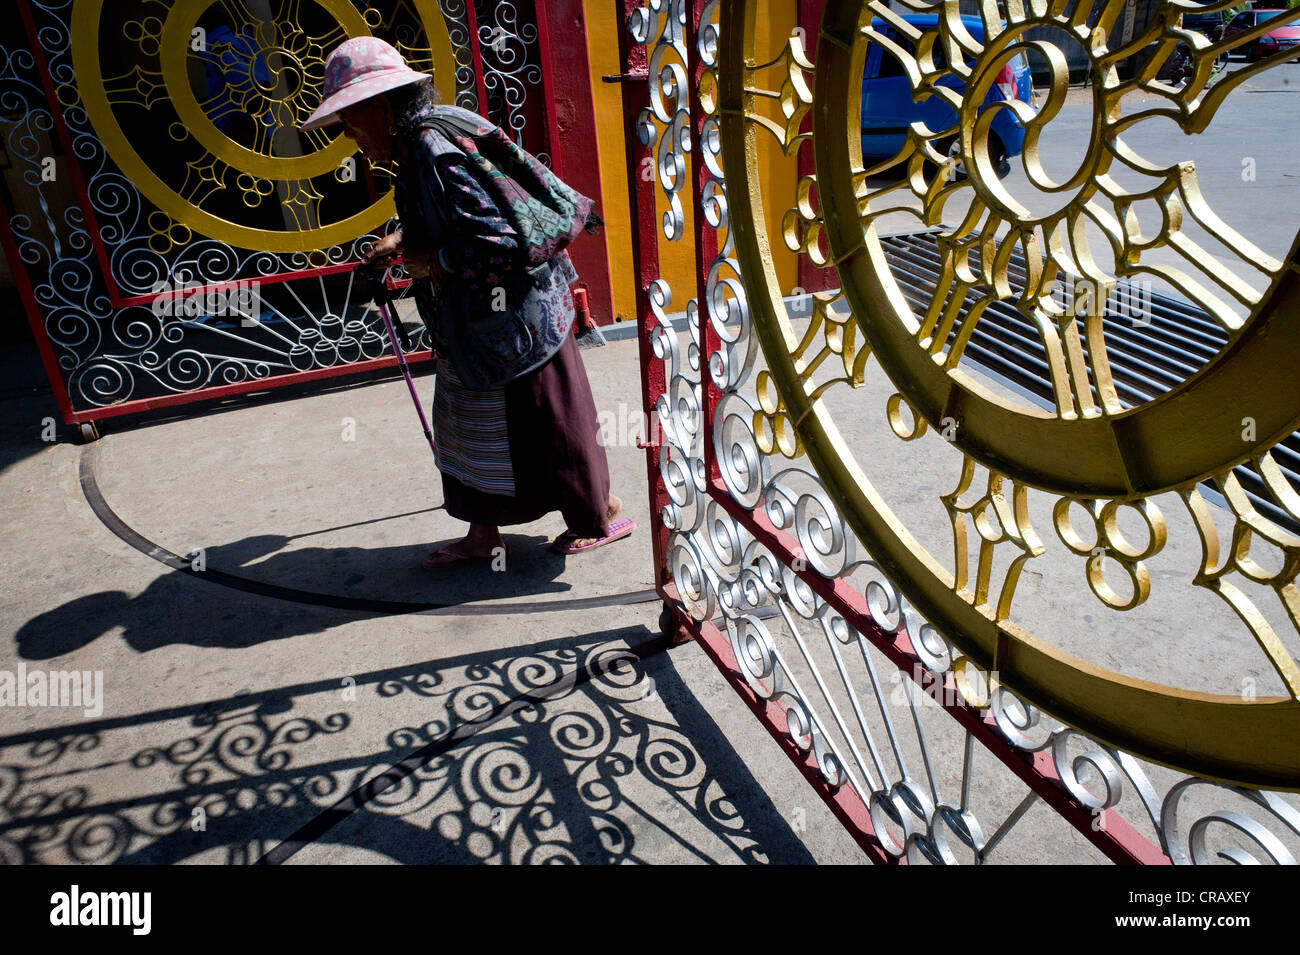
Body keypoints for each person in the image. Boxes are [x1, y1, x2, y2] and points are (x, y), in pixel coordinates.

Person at [301, 37, 632, 568]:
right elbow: (455, 219)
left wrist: (431, 263)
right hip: (475, 324)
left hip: (517, 320)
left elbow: (497, 244)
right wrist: (402, 244)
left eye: (349, 122)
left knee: (551, 426)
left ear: (380, 108)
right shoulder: (433, 129)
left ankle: (600, 512)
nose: (351, 138)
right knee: (467, 426)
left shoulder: (432, 147)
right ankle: (484, 535)